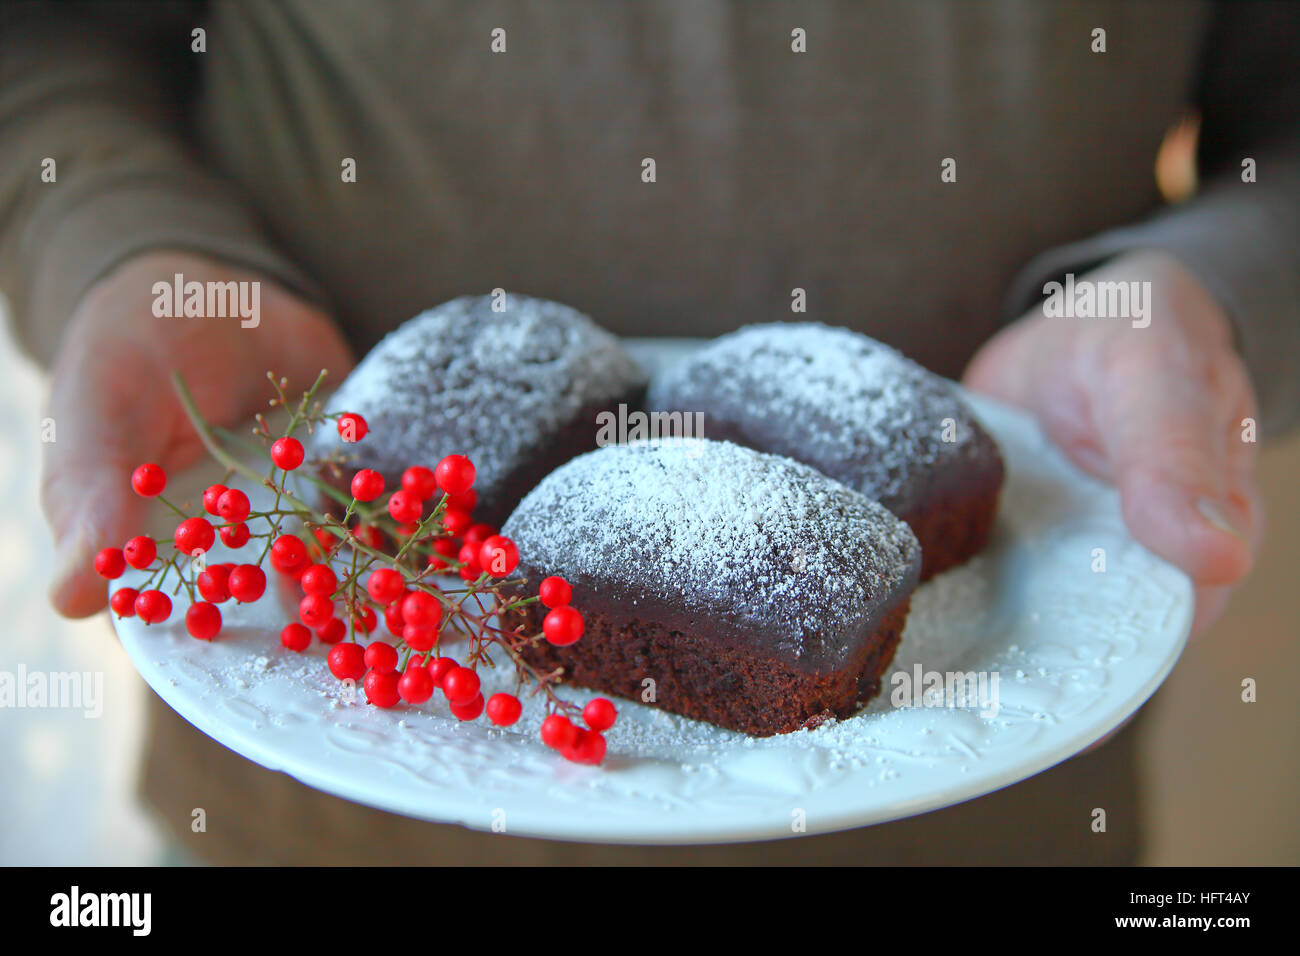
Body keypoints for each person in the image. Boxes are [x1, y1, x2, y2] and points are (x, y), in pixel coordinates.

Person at [2, 1, 1295, 864]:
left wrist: (1202, 296)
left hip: (1002, 816)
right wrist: (128, 247)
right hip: (322, 806)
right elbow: (49, 39)